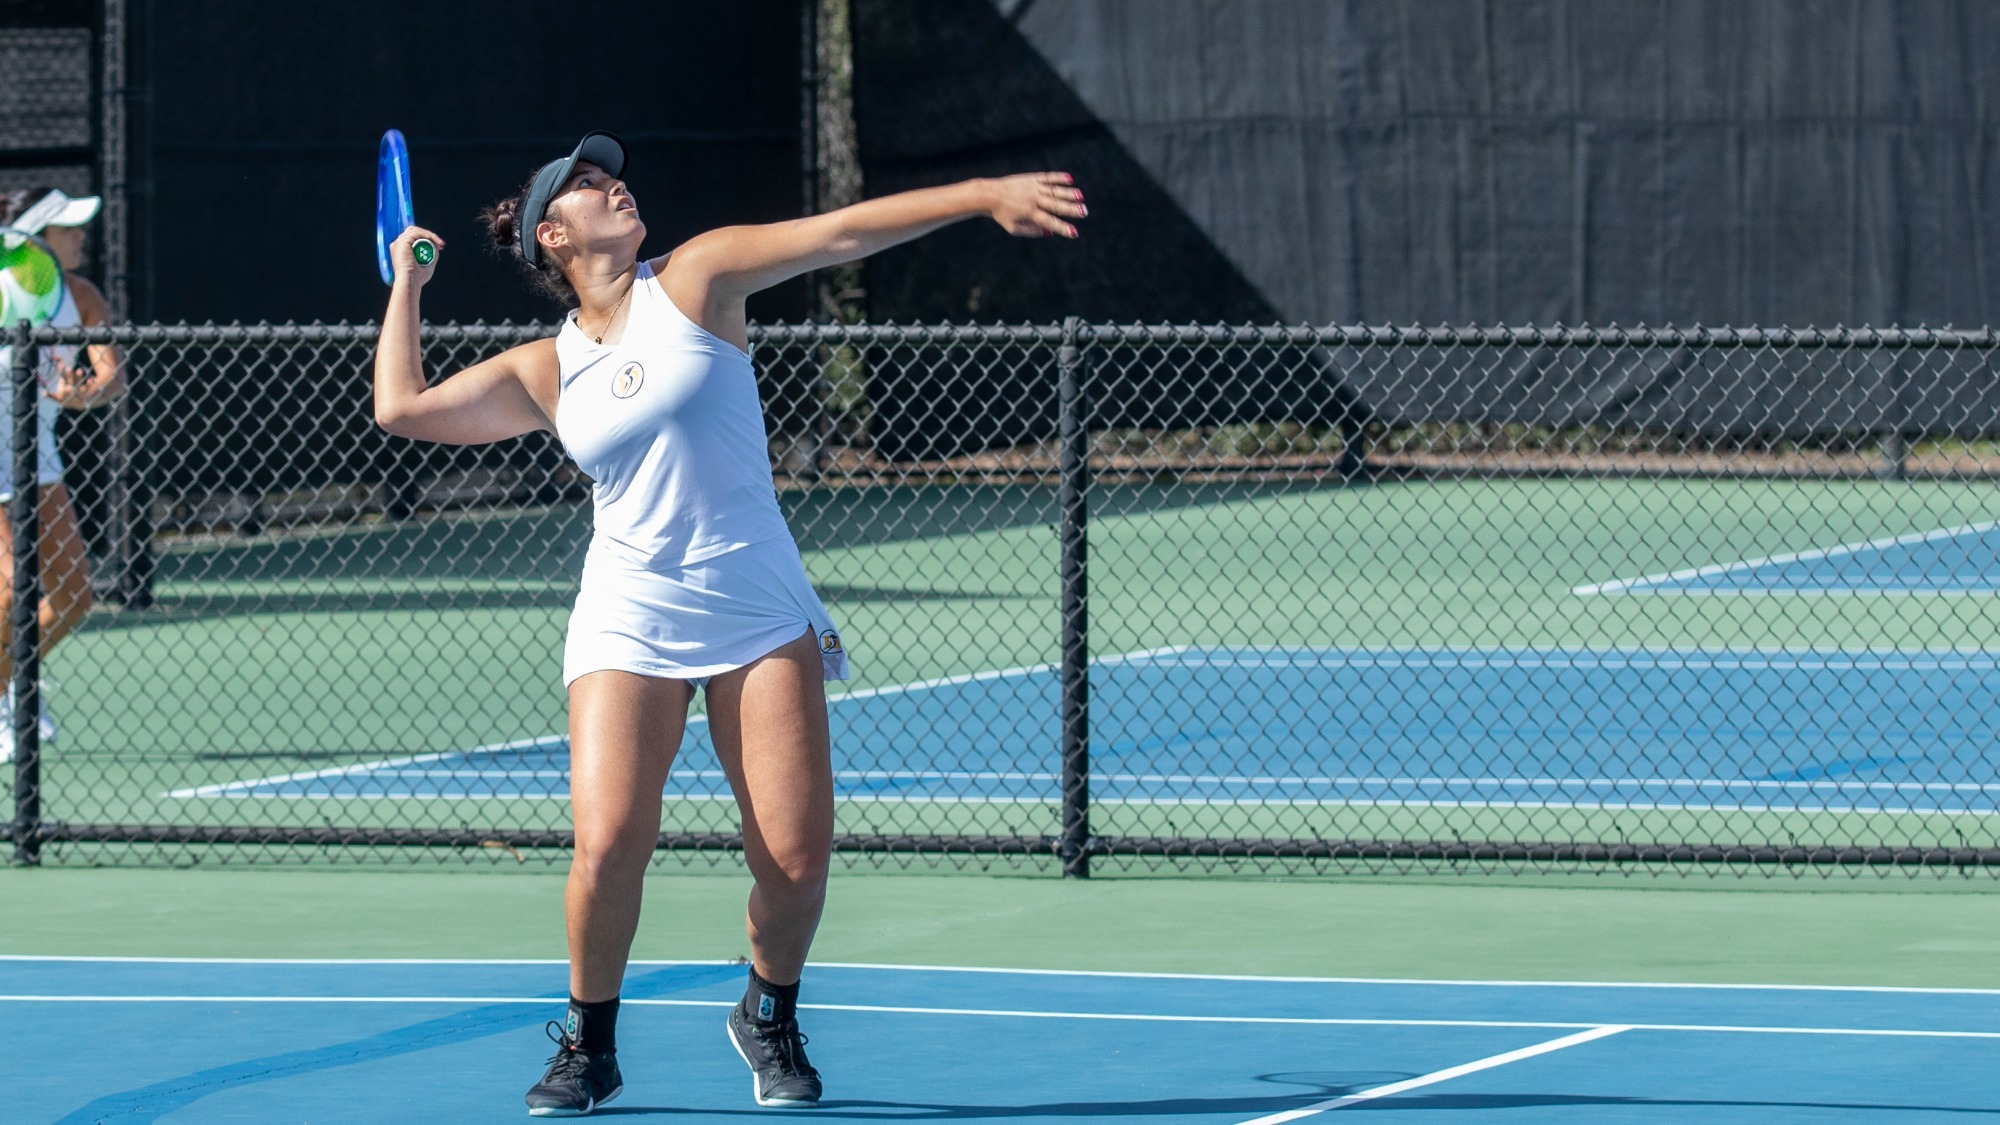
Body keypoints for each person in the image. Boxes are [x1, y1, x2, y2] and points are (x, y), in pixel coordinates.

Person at [371, 131, 1085, 1115]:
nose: (611, 185)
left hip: (754, 605)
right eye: (585, 185)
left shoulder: (697, 280)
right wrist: (404, 280)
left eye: (610, 174)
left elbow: (834, 235)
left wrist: (977, 190)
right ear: (553, 235)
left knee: (793, 863)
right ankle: (589, 1044)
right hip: (627, 615)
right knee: (609, 841)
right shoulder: (547, 368)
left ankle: (768, 1012)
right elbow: (401, 407)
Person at [0, 188, 129, 763]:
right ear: (33, 242)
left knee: (75, 598)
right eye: (68, 230)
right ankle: (8, 696)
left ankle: (12, 680)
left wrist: (84, 395)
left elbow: (112, 377)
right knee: (8, 595)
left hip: (39, 459)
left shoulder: (82, 295)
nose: (81, 238)